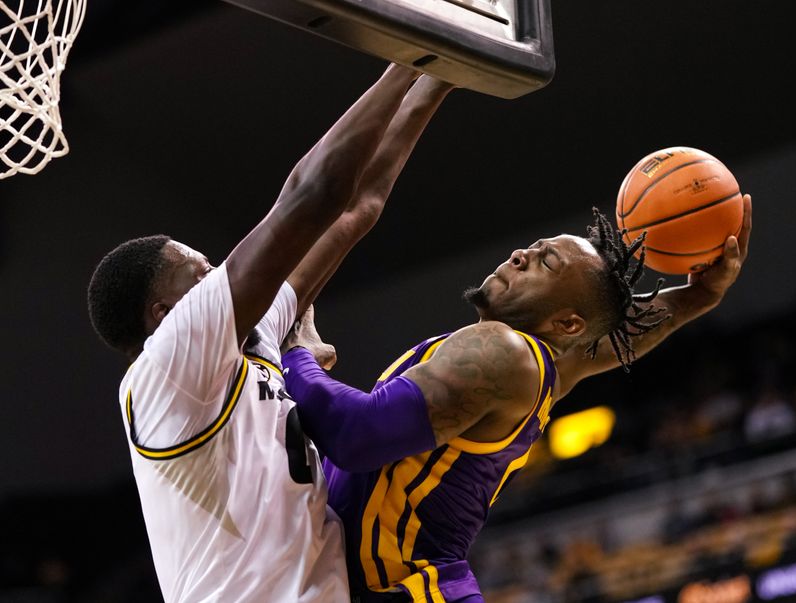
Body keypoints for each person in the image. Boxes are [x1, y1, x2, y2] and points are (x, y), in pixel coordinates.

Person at [86, 65, 455, 602]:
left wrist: (439, 77)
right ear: (165, 315)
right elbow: (315, 194)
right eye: (202, 272)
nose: (220, 276)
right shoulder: (166, 368)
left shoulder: (251, 339)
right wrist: (407, 59)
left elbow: (355, 209)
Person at [281, 196, 753, 602]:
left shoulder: (504, 355)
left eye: (546, 263)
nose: (521, 254)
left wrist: (297, 352)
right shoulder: (537, 365)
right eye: (534, 247)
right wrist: (699, 296)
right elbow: (612, 341)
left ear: (566, 324)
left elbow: (357, 435)